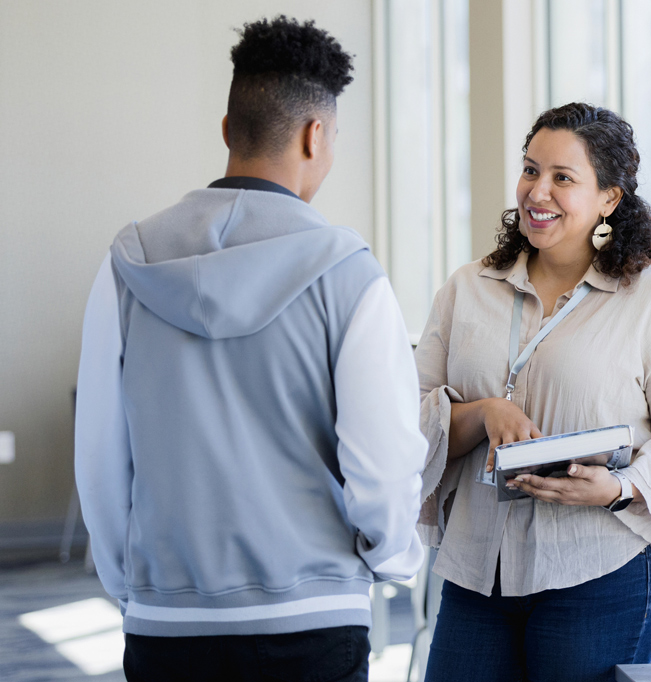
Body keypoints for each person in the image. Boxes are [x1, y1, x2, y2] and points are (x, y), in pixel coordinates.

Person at [74, 16, 426, 681]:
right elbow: (381, 460)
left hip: (165, 618)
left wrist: (133, 583)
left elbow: (99, 453)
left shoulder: (126, 265)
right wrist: (391, 559)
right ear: (315, 136)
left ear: (228, 129)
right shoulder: (350, 275)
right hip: (313, 616)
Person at [415, 102, 651, 682]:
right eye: (531, 170)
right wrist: (483, 413)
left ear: (609, 199)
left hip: (601, 574)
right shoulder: (466, 289)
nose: (538, 192)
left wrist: (618, 488)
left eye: (563, 178)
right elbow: (408, 424)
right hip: (478, 573)